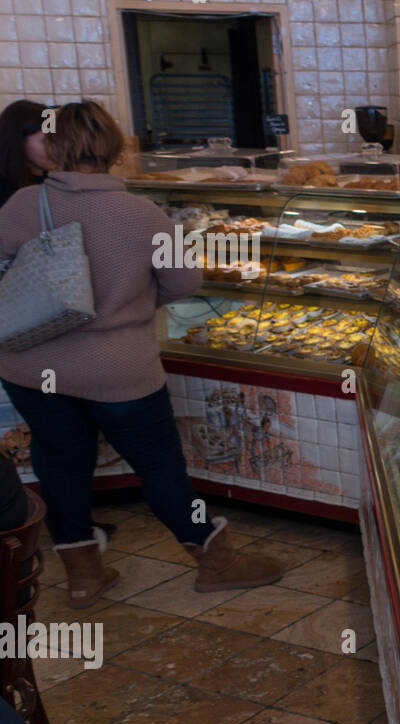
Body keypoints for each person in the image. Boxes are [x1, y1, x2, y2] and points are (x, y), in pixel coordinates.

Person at [0, 101, 281, 609]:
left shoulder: (23, 204)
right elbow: (184, 281)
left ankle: (84, 576)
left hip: (32, 368)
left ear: (54, 147)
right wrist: (131, 301)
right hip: (120, 372)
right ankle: (217, 562)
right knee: (160, 468)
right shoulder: (142, 213)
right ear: (114, 148)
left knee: (61, 466)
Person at [0, 99, 56, 208]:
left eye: (58, 139)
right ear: (18, 142)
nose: (56, 147)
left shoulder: (57, 182)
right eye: (45, 141)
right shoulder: (4, 190)